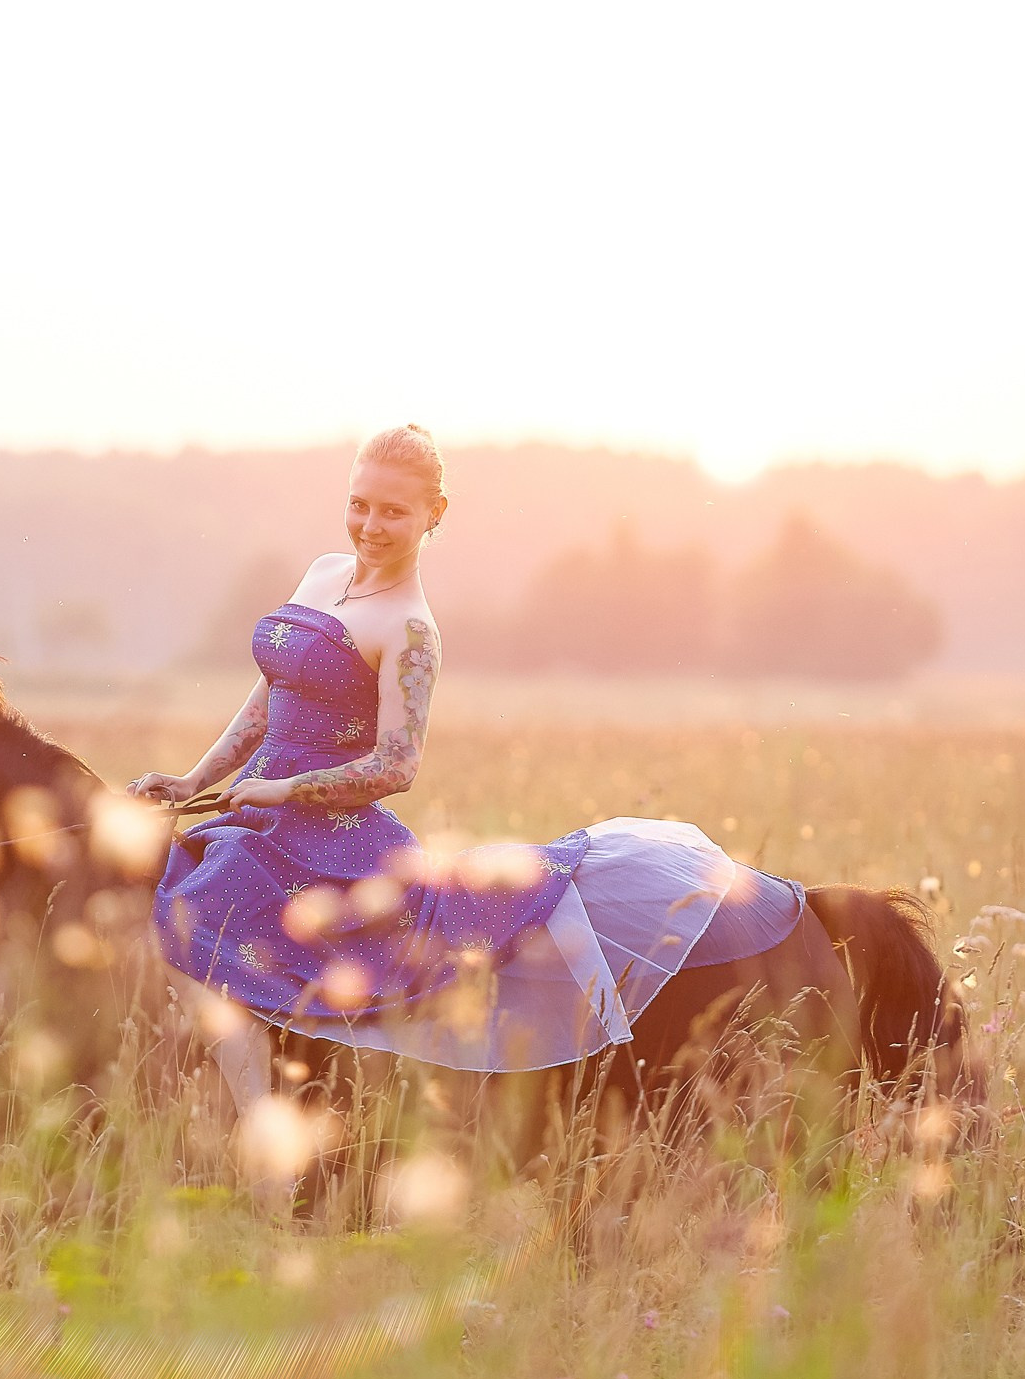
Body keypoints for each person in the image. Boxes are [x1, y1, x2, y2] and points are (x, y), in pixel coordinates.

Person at [130, 425, 805, 1091]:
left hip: (324, 840)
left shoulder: (411, 631)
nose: (370, 524)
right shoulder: (323, 571)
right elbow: (268, 701)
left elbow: (397, 766)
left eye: (394, 511)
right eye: (360, 503)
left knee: (203, 935)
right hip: (255, 817)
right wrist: (195, 777)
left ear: (434, 514)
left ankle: (262, 1146)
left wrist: (286, 791)